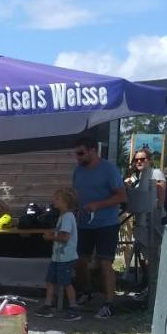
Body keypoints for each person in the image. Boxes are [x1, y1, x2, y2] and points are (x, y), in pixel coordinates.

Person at [70, 135, 125, 319]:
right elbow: (76, 193)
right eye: (76, 154)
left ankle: (109, 303)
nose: (78, 158)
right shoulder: (78, 171)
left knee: (105, 262)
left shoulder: (109, 170)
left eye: (81, 153)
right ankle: (86, 291)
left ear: (93, 150)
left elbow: (121, 197)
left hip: (106, 223)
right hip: (84, 223)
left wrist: (98, 205)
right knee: (79, 260)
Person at [35, 188, 81, 321]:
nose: (54, 201)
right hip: (58, 257)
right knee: (50, 281)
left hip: (66, 257)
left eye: (57, 199)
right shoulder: (63, 216)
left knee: (66, 283)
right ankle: (48, 305)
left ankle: (73, 308)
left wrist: (50, 237)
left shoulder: (67, 217)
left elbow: (65, 237)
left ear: (65, 202)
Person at [124, 148, 166, 289]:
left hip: (152, 218)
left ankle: (153, 282)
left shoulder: (155, 173)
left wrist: (158, 210)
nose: (139, 162)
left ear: (149, 160)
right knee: (142, 251)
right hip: (141, 217)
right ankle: (147, 280)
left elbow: (160, 189)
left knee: (151, 251)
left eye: (142, 159)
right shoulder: (139, 176)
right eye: (137, 160)